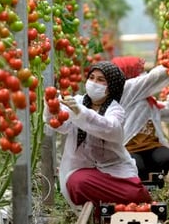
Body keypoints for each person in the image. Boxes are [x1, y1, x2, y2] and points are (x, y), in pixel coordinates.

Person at [43, 61, 151, 213]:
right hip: (83, 171)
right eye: (92, 77)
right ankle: (101, 209)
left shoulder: (115, 110)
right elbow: (61, 125)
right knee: (77, 183)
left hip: (115, 170)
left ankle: (105, 207)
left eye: (101, 80)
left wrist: (81, 113)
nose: (94, 83)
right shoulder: (78, 101)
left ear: (111, 87)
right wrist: (51, 106)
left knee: (135, 193)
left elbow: (109, 128)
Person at [112, 56, 169, 181]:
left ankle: (153, 179)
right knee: (135, 166)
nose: (143, 74)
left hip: (152, 146)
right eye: (139, 71)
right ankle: (140, 182)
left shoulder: (149, 102)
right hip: (128, 148)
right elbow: (151, 81)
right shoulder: (124, 91)